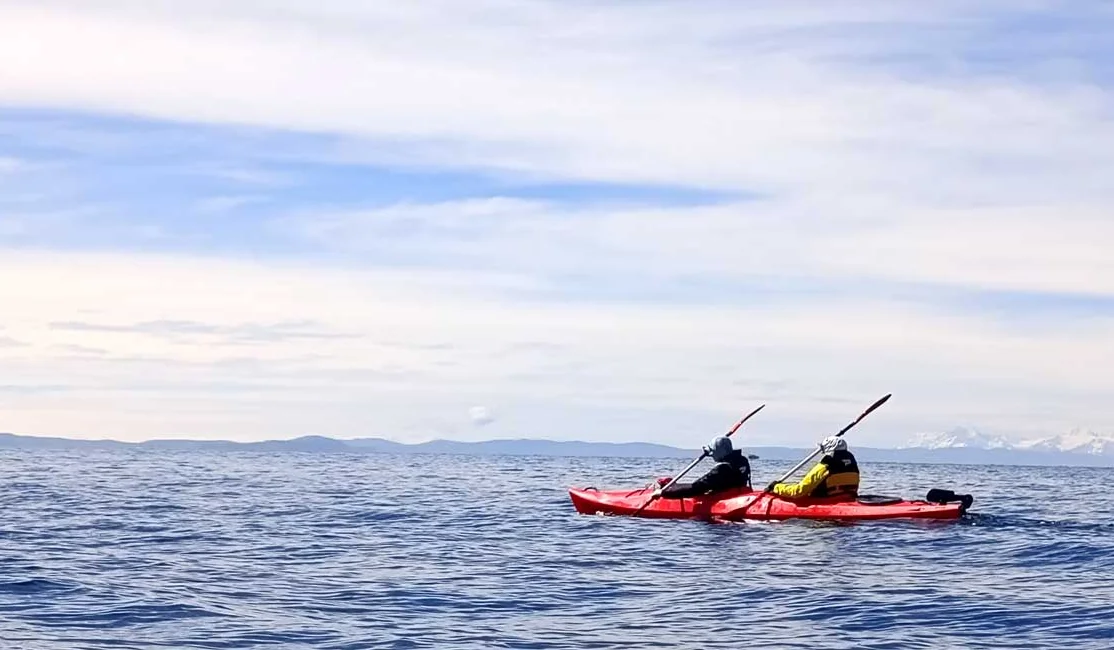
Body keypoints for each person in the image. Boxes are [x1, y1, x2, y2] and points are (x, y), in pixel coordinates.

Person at [651, 436, 751, 499]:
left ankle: (669, 488)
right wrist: (674, 487)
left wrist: (664, 493)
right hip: (740, 494)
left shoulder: (722, 469)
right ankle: (672, 486)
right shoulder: (742, 460)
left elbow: (695, 488)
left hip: (726, 499)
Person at [765, 436, 859, 499]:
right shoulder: (852, 463)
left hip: (825, 503)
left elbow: (798, 491)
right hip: (848, 499)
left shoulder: (825, 466)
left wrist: (776, 487)